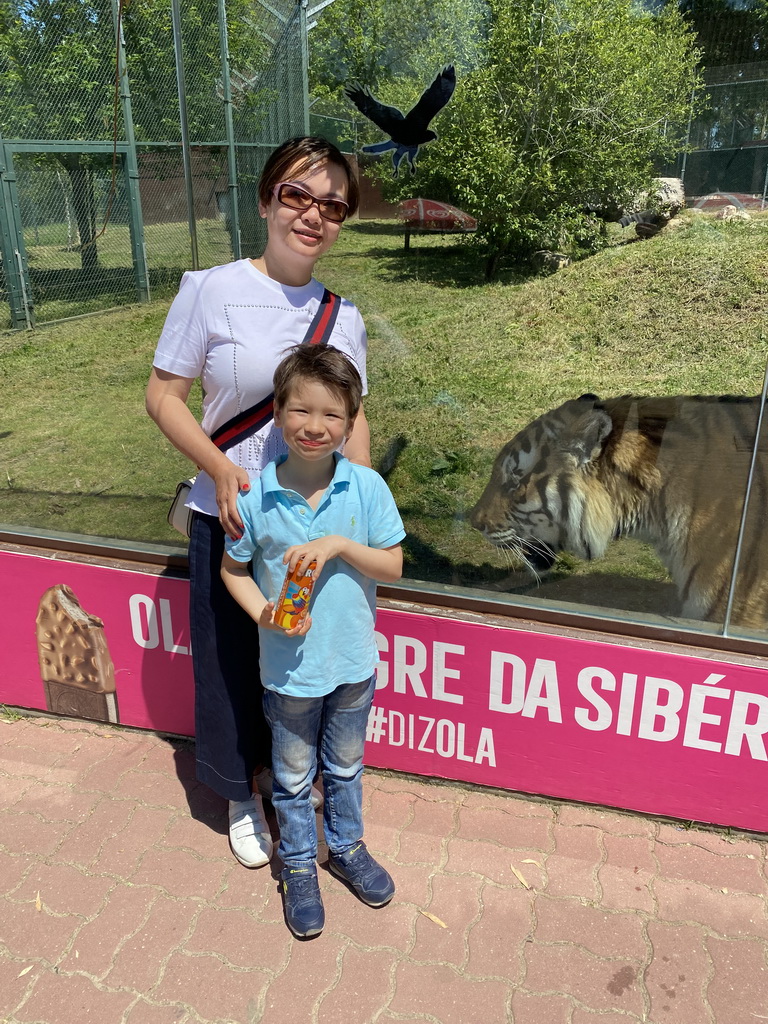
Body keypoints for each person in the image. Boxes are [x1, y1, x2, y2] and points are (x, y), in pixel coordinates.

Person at [145, 137, 371, 870]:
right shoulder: (210, 289)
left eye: (332, 204)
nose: (313, 215)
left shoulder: (344, 317)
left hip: (306, 533)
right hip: (235, 520)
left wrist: (357, 506)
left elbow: (353, 416)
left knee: (301, 665)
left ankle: (287, 785)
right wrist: (216, 467)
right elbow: (163, 396)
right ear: (267, 198)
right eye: (298, 195)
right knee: (232, 665)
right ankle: (242, 793)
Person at [221, 343, 405, 938]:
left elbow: (394, 566)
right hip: (289, 670)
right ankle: (298, 865)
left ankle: (347, 848)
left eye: (332, 415)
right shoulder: (254, 496)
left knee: (346, 768)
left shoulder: (368, 487)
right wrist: (263, 615)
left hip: (353, 662)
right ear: (277, 412)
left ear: (351, 424)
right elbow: (234, 570)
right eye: (301, 411)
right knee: (294, 776)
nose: (315, 427)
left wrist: (339, 545)